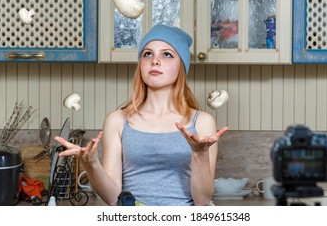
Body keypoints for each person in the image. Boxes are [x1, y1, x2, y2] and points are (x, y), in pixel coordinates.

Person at [55, 24, 228, 206]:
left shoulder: (202, 122)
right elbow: (113, 197)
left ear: (182, 66)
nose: (155, 61)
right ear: (140, 65)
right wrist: (91, 165)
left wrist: (200, 155)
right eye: (148, 54)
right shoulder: (117, 121)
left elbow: (202, 201)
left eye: (167, 54)